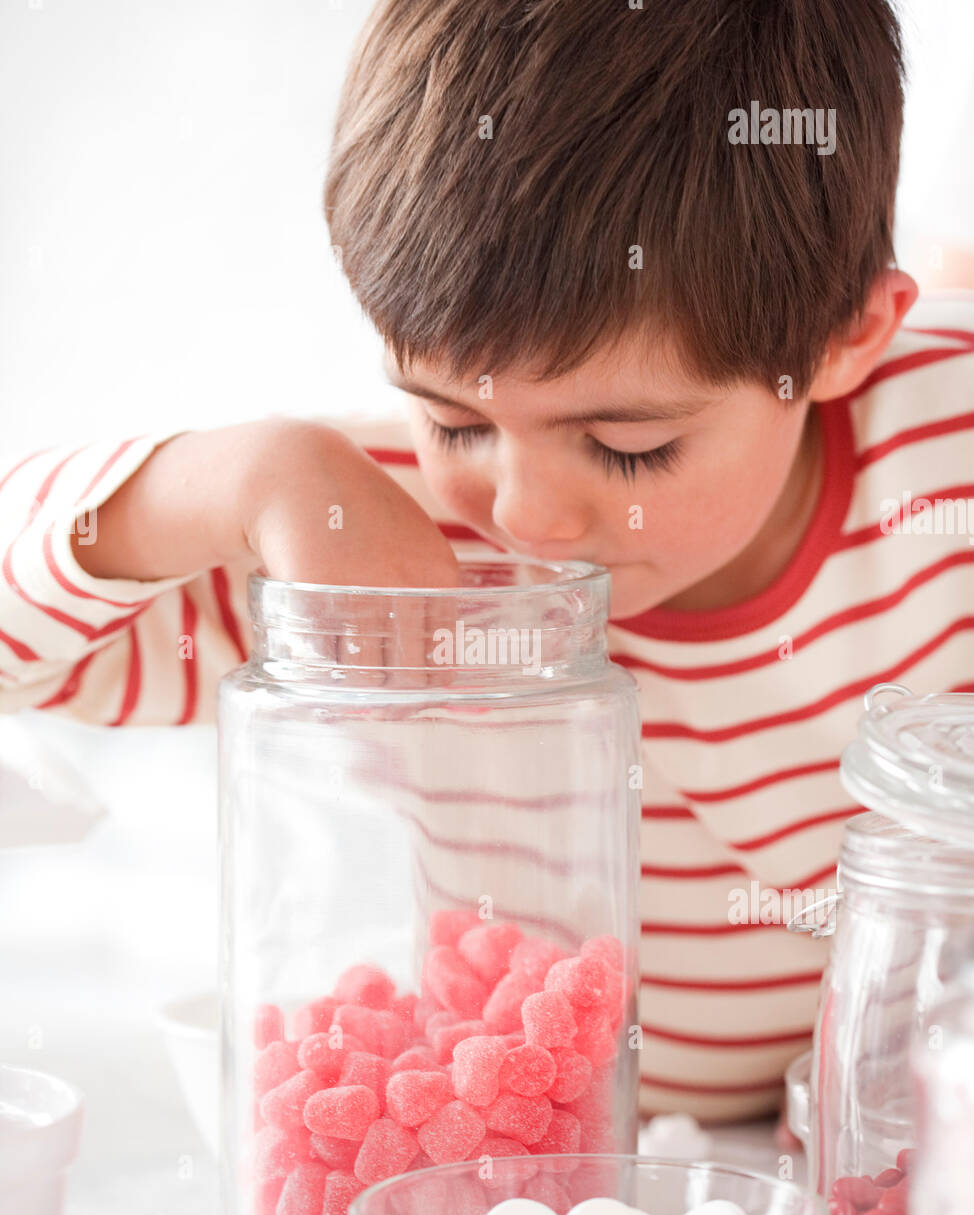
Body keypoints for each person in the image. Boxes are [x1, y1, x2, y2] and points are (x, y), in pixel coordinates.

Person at [3, 0, 972, 1120]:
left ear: (843, 340)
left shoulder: (940, 447)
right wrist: (255, 475)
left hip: (899, 1151)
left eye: (627, 446)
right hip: (548, 1162)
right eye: (453, 421)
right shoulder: (382, 536)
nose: (523, 515)